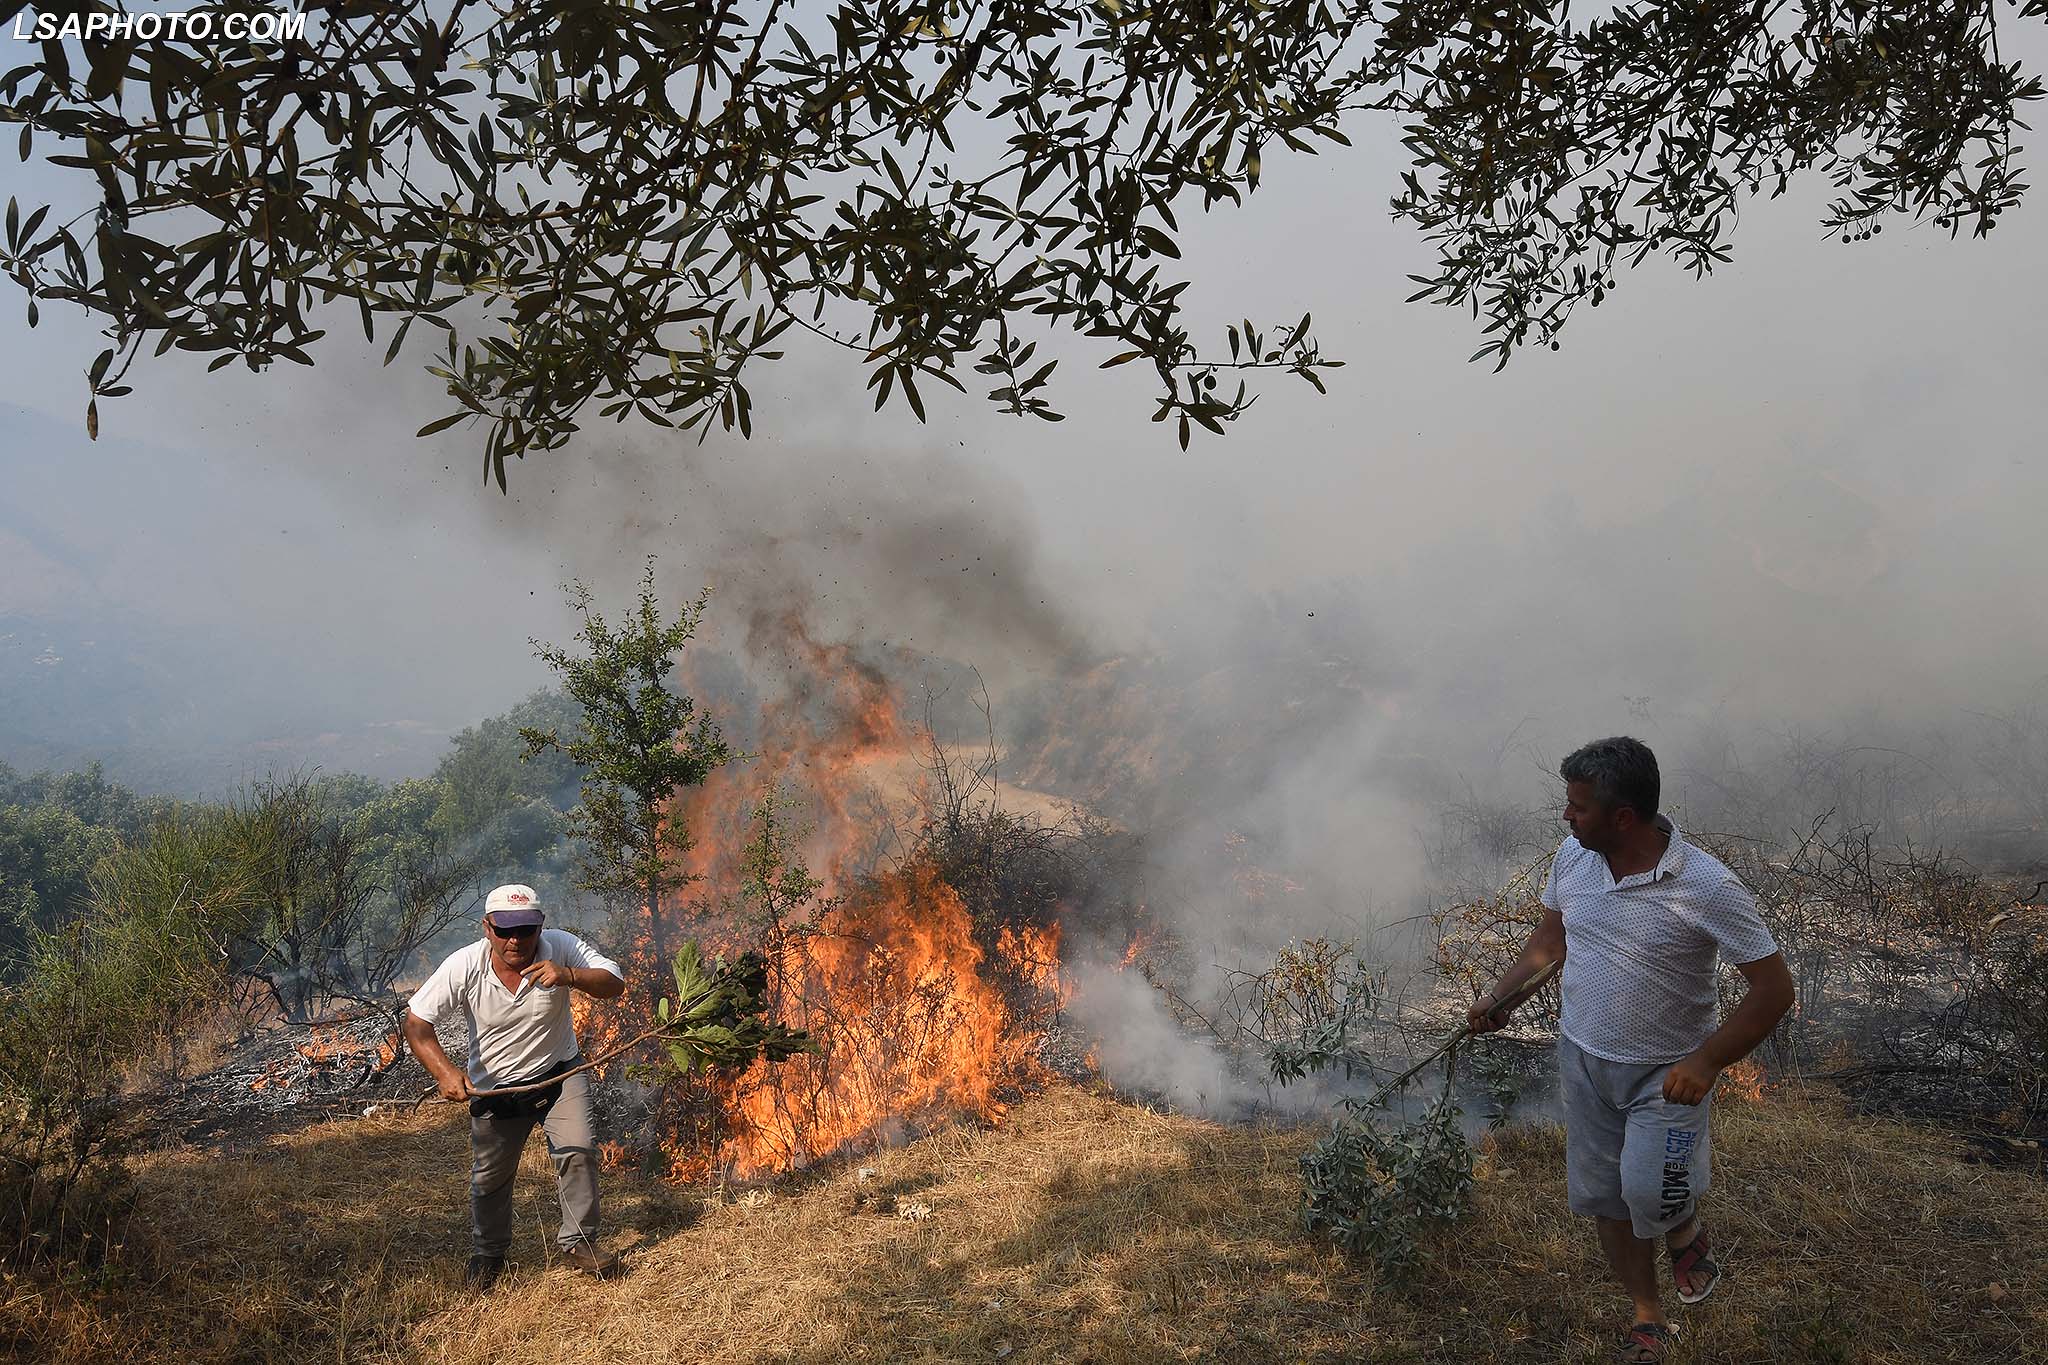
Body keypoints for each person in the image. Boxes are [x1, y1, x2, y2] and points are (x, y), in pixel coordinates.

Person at [1469, 737, 1795, 1365]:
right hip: (1583, 1060)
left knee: (1650, 1191)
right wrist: (1502, 996)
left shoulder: (1706, 886)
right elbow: (1552, 936)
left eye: (1579, 807)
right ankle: (1647, 1318)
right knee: (1606, 1199)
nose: (1567, 817)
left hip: (1666, 1073)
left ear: (1623, 817)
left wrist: (1705, 1062)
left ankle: (1684, 1228)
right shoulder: (1574, 857)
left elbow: (1774, 987)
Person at [402, 883, 629, 1290]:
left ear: (540, 926)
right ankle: (489, 1255)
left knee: (577, 1150)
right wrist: (444, 1073)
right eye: (504, 930)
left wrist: (570, 976)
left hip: (559, 1074)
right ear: (486, 928)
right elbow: (417, 1023)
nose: (515, 940)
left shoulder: (560, 948)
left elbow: (615, 983)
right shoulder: (464, 965)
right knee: (490, 1177)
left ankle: (580, 1243)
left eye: (526, 929)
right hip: (496, 1090)